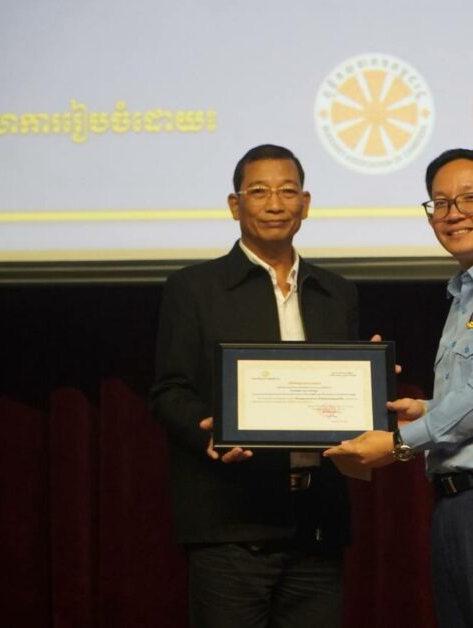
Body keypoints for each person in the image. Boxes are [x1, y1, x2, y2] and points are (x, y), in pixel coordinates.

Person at [324, 148, 473, 628]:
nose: (453, 213)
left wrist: (399, 444)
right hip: (460, 503)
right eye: (440, 202)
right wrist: (425, 409)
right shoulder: (467, 292)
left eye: (470, 198)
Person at [151, 144, 358, 628]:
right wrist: (208, 429)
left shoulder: (337, 292)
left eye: (288, 191)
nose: (275, 204)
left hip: (317, 526)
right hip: (232, 526)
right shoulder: (193, 288)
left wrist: (370, 385)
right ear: (235, 204)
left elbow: (342, 398)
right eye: (259, 191)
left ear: (305, 203)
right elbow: (169, 390)